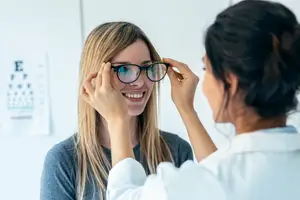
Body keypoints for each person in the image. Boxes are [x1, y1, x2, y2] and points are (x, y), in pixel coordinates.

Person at [84, 1, 300, 200]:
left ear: (230, 83)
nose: (139, 82)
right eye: (123, 69)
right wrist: (186, 109)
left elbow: (125, 195)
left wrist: (117, 121)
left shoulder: (201, 173)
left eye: (207, 69)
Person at [40, 22, 209, 200]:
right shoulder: (63, 160)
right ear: (94, 77)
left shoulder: (176, 150)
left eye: (147, 68)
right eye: (124, 69)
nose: (139, 82)